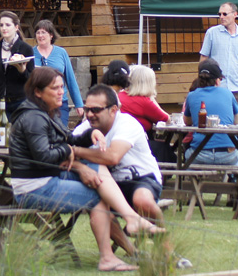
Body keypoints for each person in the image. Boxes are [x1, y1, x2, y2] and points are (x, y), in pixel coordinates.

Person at [9, 67, 160, 272]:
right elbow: (44, 156)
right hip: (33, 187)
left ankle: (131, 221)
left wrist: (91, 135)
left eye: (62, 87)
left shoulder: (44, 113)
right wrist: (69, 150)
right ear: (38, 92)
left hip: (45, 177)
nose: (61, 92)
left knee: (94, 167)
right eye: (55, 88)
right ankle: (108, 256)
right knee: (98, 196)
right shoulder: (34, 117)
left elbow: (68, 139)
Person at [71, 84, 164, 222]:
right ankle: (129, 243)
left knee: (142, 200)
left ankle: (165, 240)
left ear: (113, 110)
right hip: (107, 184)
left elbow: (113, 156)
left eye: (96, 110)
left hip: (142, 177)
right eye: (87, 109)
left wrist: (76, 151)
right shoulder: (84, 128)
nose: (90, 115)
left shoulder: (127, 124)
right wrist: (81, 167)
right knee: (100, 211)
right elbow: (62, 154)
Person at [181, 60, 238, 166]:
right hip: (227, 154)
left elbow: (187, 122)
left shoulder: (191, 95)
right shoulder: (228, 93)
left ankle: (192, 182)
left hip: (199, 154)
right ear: (217, 80)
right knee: (237, 160)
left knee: (188, 158)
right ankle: (234, 179)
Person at [198, 1, 238, 106]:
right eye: (219, 14)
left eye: (225, 14)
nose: (221, 17)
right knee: (217, 119)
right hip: (215, 87)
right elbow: (204, 58)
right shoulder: (212, 33)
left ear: (235, 14)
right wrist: (201, 80)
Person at [0, 11, 35, 121]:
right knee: (4, 137)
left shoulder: (25, 48)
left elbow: (32, 81)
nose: (4, 28)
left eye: (8, 25)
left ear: (16, 27)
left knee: (20, 137)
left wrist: (22, 70)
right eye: (1, 25)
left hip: (22, 102)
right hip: (3, 104)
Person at [32, 20, 83, 127]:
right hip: (38, 103)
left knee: (60, 133)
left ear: (51, 35)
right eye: (38, 33)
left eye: (43, 32)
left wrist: (79, 104)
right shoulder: (30, 53)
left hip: (59, 102)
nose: (40, 35)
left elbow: (70, 79)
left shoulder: (61, 52)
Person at [119, 65, 170, 133]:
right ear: (149, 83)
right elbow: (167, 120)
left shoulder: (119, 95)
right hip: (137, 140)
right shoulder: (144, 102)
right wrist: (151, 99)